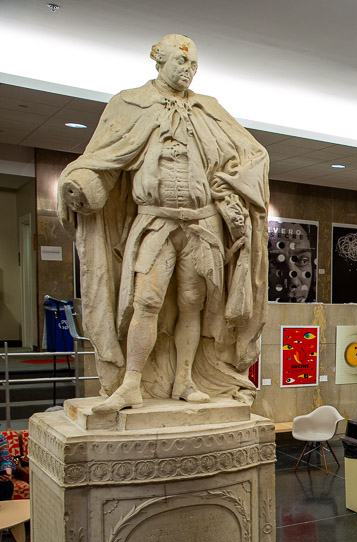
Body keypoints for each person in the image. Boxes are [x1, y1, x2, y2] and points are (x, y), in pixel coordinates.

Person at [57, 34, 269, 413]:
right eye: (181, 61)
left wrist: (231, 187)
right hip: (155, 222)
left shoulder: (209, 110)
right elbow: (104, 160)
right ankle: (132, 383)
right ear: (159, 61)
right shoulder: (131, 103)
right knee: (147, 300)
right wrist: (81, 184)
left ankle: (184, 379)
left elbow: (253, 154)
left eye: (194, 65)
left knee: (192, 303)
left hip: (201, 226)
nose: (188, 70)